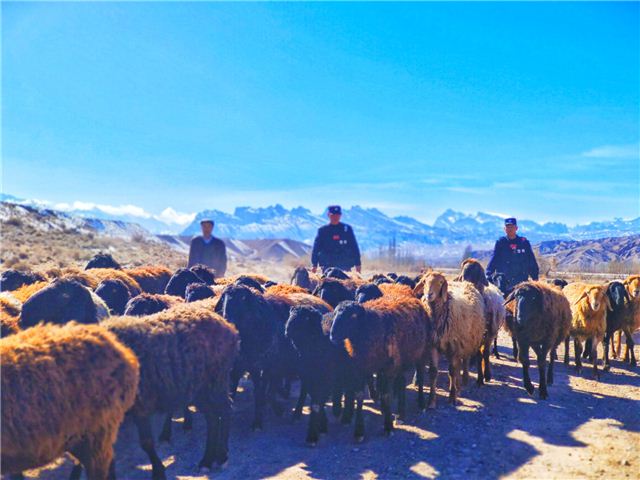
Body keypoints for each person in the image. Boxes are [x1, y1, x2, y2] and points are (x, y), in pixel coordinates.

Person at [486, 217, 539, 294]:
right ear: (504, 229)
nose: (510, 229)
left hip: (521, 282)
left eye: (512, 227)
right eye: (508, 227)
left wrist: (535, 278)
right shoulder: (501, 242)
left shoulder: (523, 243)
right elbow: (494, 258)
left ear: (516, 228)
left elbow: (531, 260)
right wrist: (488, 274)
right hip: (504, 283)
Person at [311, 205, 361, 274]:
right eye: (333, 215)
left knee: (346, 284)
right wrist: (314, 264)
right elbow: (316, 249)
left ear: (340, 215)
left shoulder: (346, 229)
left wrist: (358, 264)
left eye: (337, 215)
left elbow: (354, 247)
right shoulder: (323, 231)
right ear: (328, 215)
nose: (335, 217)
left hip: (344, 265)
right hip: (327, 266)